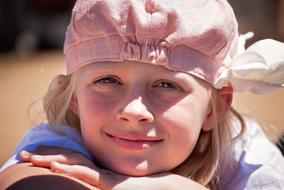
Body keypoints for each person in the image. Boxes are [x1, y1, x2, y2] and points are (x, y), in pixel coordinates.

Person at [1, 0, 284, 189]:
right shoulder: (57, 146)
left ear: (215, 108)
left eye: (166, 85)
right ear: (73, 97)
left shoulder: (248, 156)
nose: (134, 111)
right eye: (108, 80)